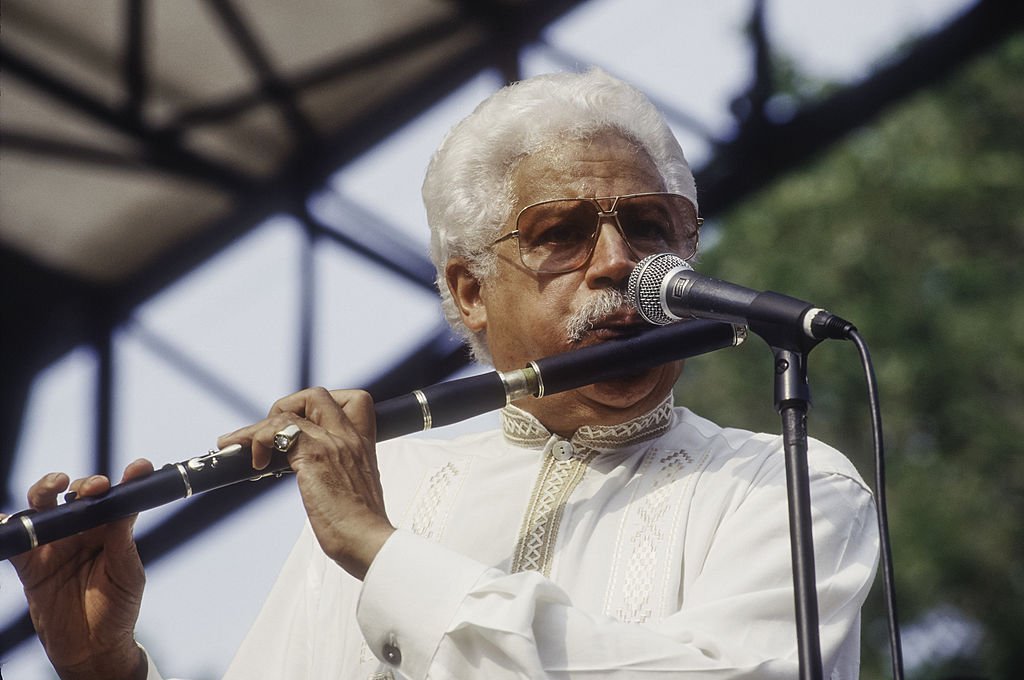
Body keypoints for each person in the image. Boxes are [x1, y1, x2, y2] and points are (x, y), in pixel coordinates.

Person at [5, 69, 879, 679]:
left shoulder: (788, 485)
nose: (618, 262)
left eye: (652, 226)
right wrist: (106, 670)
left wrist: (382, 553)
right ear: (468, 292)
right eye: (560, 233)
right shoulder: (388, 484)